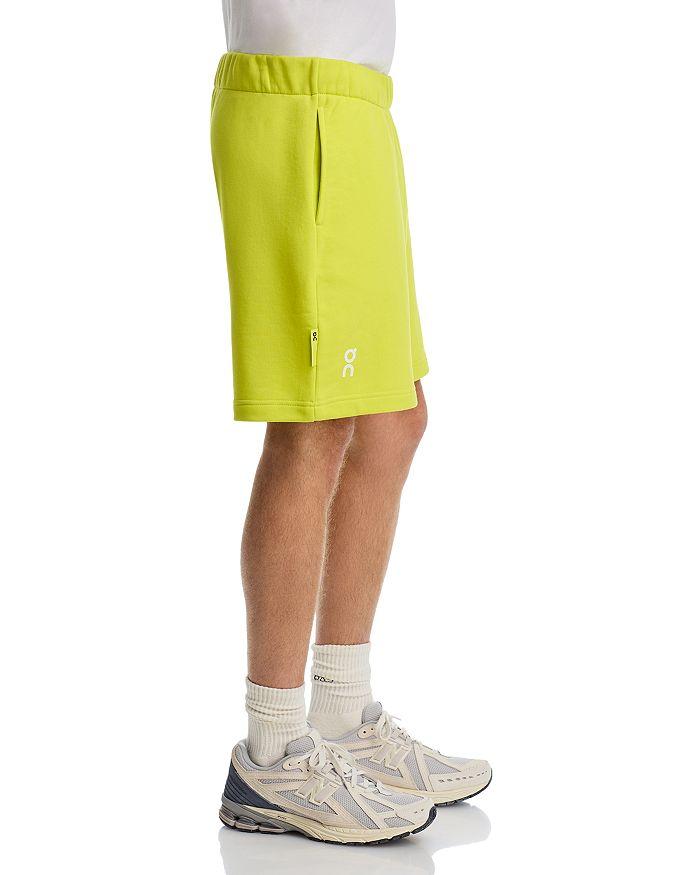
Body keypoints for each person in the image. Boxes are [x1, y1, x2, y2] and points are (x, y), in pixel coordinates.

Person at [210, 0, 491, 844]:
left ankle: (341, 715)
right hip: (300, 103)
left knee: (394, 417)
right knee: (314, 424)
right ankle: (272, 752)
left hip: (359, 103)